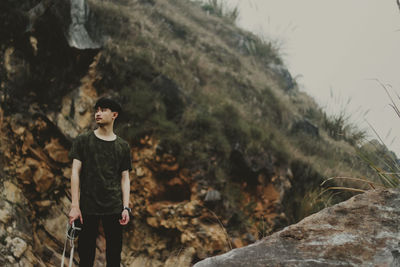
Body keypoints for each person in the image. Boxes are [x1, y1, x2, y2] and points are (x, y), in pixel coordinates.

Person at [68, 97, 132, 267]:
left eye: (103, 110)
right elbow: (75, 171)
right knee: (86, 257)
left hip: (114, 206)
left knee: (114, 258)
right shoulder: (83, 140)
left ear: (114, 115)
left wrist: (126, 207)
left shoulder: (122, 146)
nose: (98, 113)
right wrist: (75, 206)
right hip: (88, 206)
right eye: (97, 110)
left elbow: (125, 177)